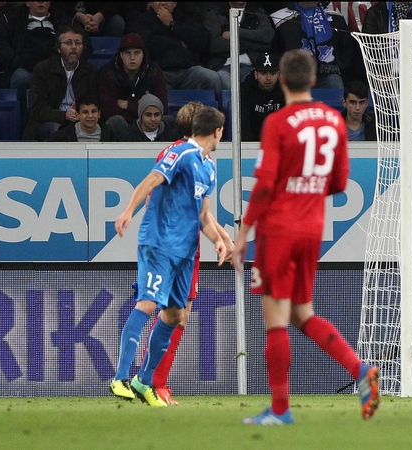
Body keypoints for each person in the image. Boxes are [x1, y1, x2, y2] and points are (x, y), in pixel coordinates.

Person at [231, 49, 380, 425]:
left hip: (279, 228)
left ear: (281, 80)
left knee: (276, 319)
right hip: (313, 227)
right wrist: (308, 190)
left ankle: (280, 409)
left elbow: (264, 186)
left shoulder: (278, 122)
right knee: (301, 313)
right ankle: (359, 370)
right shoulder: (333, 119)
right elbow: (340, 182)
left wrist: (243, 232)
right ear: (314, 80)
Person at [111, 102, 233, 405]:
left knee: (176, 314)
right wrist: (129, 210)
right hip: (160, 243)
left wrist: (219, 239)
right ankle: (120, 378)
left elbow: (203, 215)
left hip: (186, 252)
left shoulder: (210, 166)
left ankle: (144, 380)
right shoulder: (180, 153)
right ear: (217, 131)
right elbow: (152, 179)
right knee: (149, 302)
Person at [128, 2, 223, 96]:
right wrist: (179, 42)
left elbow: (202, 41)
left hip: (188, 70)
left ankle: (217, 111)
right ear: (151, 3)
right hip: (159, 71)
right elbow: (149, 44)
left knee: (212, 78)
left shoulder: (187, 17)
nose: (163, 3)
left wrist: (172, 24)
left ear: (175, 3)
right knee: (150, 82)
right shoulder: (141, 21)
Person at [22, 25, 98, 142]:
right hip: (50, 122)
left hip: (81, 119)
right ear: (58, 48)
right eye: (68, 43)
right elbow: (38, 109)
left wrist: (80, 115)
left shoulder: (90, 71)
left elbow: (93, 103)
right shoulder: (43, 69)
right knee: (57, 130)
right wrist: (64, 115)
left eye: (78, 43)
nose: (73, 47)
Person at [270, 2, 365, 89]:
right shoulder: (278, 18)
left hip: (327, 76)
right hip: (294, 76)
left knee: (335, 82)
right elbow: (274, 52)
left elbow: (347, 49)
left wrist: (336, 67)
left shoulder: (336, 17)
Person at [98, 32, 168, 125]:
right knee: (116, 121)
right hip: (121, 126)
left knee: (168, 121)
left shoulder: (154, 71)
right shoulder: (108, 72)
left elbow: (162, 107)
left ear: (143, 54)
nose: (132, 58)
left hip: (148, 125)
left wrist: (128, 105)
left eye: (137, 53)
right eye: (127, 53)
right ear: (121, 55)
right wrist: (140, 112)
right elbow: (109, 110)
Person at [204, 2, 275, 90]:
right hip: (223, 67)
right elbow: (213, 44)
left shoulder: (257, 12)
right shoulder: (215, 14)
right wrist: (252, 43)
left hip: (251, 67)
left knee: (256, 83)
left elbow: (267, 37)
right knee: (224, 84)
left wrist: (235, 32)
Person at [240, 52, 284, 141]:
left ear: (278, 74)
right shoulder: (246, 89)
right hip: (252, 143)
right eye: (263, 73)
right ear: (256, 74)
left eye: (273, 73)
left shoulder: (284, 89)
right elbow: (244, 124)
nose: (268, 78)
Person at [107, 93, 181, 143]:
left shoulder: (172, 134)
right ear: (141, 115)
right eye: (148, 115)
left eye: (157, 115)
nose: (153, 119)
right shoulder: (129, 136)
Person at [46, 97, 114, 142]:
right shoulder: (62, 136)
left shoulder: (109, 134)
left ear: (99, 114)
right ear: (77, 114)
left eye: (94, 111)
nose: (90, 116)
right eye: (85, 112)